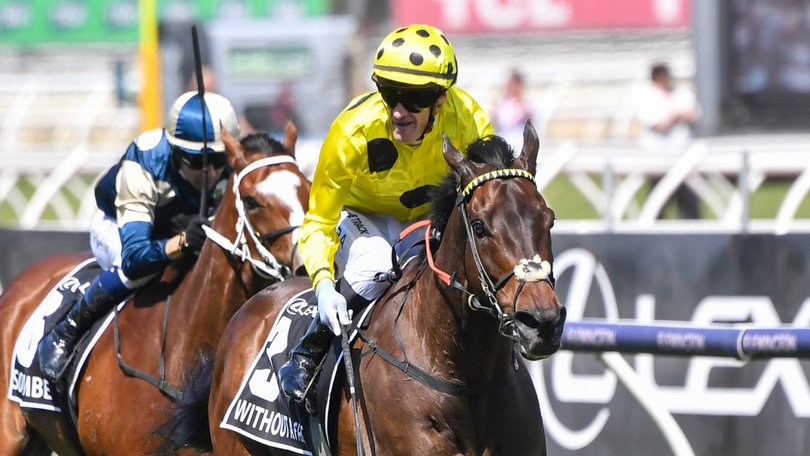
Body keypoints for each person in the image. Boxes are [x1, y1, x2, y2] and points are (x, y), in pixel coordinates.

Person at [278, 23, 495, 411]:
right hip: (360, 217)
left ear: (441, 100)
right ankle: (312, 347)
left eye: (414, 99)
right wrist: (325, 284)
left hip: (427, 221)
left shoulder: (469, 120)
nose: (398, 111)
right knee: (376, 262)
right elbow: (318, 222)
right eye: (390, 94)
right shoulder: (351, 132)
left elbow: (494, 196)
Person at [37, 91, 241, 382]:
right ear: (175, 152)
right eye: (196, 162)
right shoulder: (145, 162)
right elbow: (135, 256)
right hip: (119, 227)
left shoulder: (232, 165)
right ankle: (66, 331)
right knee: (138, 270)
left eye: (219, 160)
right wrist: (182, 241)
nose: (210, 172)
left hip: (174, 227)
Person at [635, 62, 701, 219]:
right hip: (658, 159)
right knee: (658, 207)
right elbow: (659, 126)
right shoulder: (646, 97)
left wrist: (673, 117)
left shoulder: (681, 93)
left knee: (689, 206)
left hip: (683, 157)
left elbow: (694, 115)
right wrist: (676, 116)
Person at [491, 69, 534, 149]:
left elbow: (530, 119)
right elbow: (495, 121)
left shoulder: (527, 102)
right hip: (503, 139)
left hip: (519, 141)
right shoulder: (503, 102)